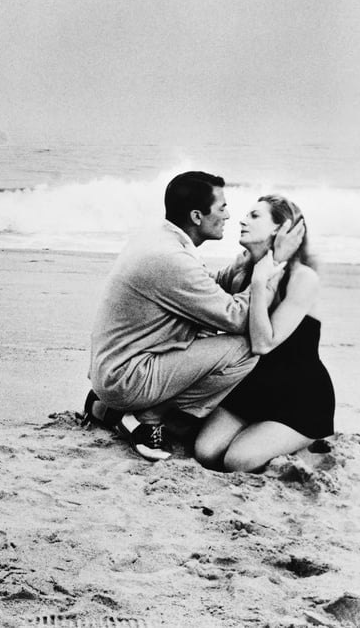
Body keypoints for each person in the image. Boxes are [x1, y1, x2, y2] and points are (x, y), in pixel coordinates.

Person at [82, 171, 304, 461]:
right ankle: (149, 416)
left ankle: (110, 410)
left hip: (114, 369)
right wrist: (266, 270)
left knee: (211, 337)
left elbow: (202, 286)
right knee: (244, 348)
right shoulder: (171, 259)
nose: (230, 216)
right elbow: (237, 317)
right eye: (222, 208)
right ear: (197, 217)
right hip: (127, 378)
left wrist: (247, 261)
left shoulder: (161, 238)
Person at [194, 195, 334, 472]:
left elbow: (263, 342)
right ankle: (262, 434)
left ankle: (301, 437)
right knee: (206, 453)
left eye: (255, 216)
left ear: (279, 229)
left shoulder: (302, 278)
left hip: (300, 395)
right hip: (253, 387)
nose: (243, 220)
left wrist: (260, 281)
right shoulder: (238, 275)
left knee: (237, 460)